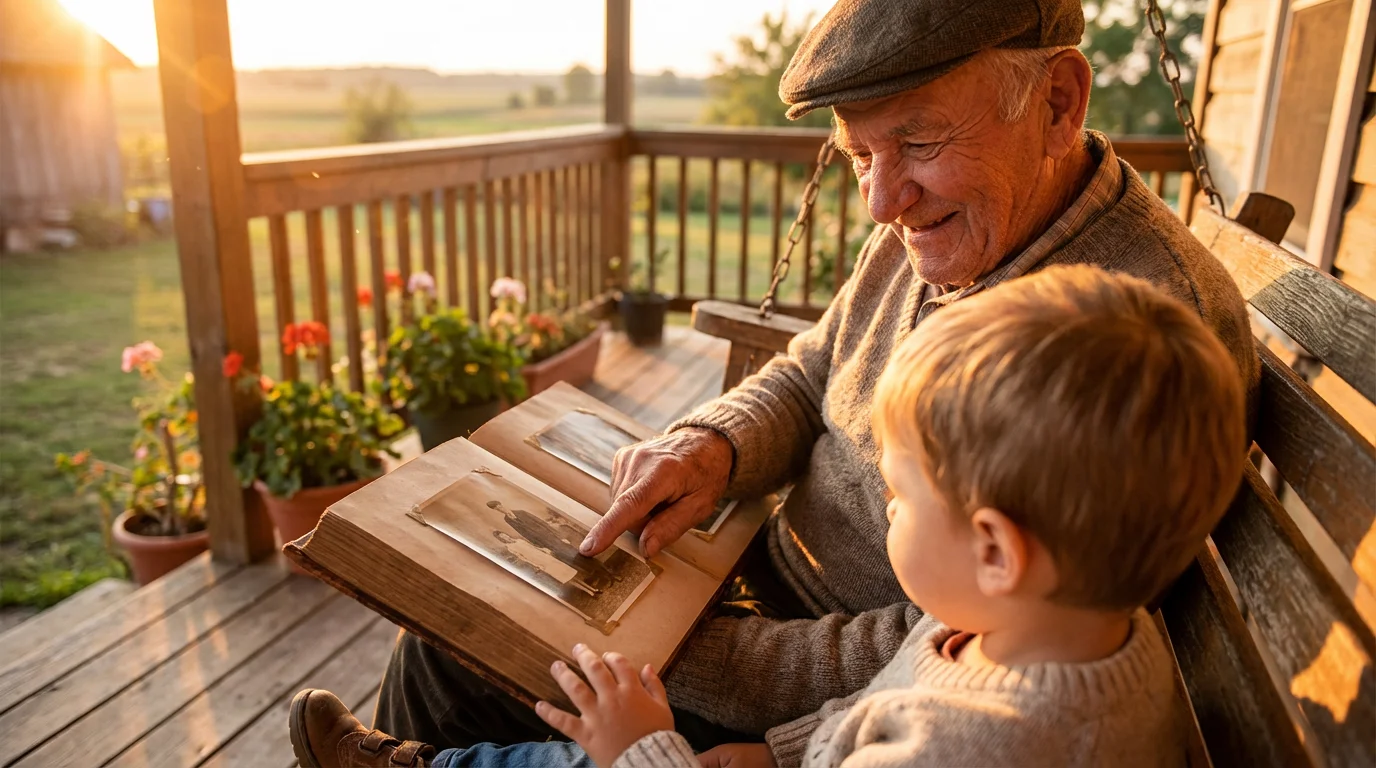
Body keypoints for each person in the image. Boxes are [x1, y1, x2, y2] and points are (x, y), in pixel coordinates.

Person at [367, 0, 1260, 754]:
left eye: (916, 141)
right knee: (439, 636)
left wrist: (682, 655)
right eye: (860, 155)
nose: (880, 203)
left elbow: (963, 651)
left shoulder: (1131, 334)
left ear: (1058, 101)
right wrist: (710, 449)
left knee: (448, 659)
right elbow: (813, 367)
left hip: (807, 696)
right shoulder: (954, 219)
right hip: (742, 572)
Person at [287, 265, 1247, 767]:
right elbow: (879, 714)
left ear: (995, 548)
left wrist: (647, 752)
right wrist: (774, 754)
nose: (889, 507)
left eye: (901, 494)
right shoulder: (1037, 628)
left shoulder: (988, 745)